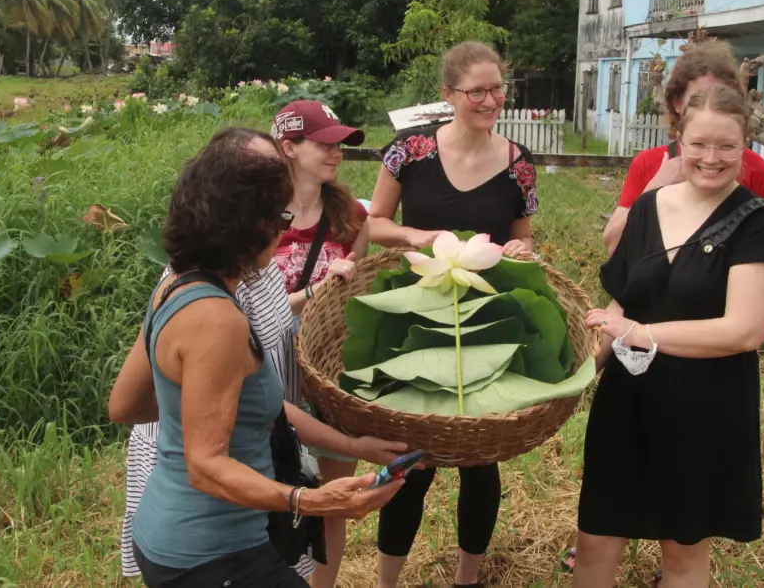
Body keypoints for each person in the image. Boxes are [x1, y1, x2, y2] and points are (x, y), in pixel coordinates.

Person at [109, 127, 408, 587]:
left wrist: (352, 447)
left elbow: (124, 406)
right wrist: (312, 501)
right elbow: (207, 466)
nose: (284, 230)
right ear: (249, 226)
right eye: (281, 219)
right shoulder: (219, 320)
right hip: (213, 553)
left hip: (165, 535)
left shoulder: (175, 285)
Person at [573, 85, 764, 588]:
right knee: (594, 540)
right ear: (677, 139)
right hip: (628, 399)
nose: (711, 158)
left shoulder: (757, 224)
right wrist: (581, 372)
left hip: (705, 408)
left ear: (745, 147)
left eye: (726, 147)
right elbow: (620, 304)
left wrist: (642, 333)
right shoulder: (648, 208)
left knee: (684, 552)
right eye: (698, 144)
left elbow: (743, 331)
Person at [367, 41, 538, 588]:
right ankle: (386, 580)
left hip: (484, 323)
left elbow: (523, 243)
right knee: (412, 462)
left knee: (480, 460)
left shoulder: (518, 164)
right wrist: (417, 235)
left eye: (497, 89)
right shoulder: (410, 151)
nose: (490, 100)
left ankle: (468, 579)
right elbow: (374, 223)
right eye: (477, 91)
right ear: (448, 95)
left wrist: (518, 254)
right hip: (416, 317)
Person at [270, 100, 370, 588]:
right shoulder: (256, 217)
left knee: (336, 496)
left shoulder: (351, 216)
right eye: (324, 144)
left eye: (340, 145)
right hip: (264, 367)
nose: (336, 154)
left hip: (325, 372)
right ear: (289, 146)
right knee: (272, 488)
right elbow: (243, 307)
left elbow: (354, 301)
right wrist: (312, 292)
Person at [601, 40, 764, 257]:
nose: (711, 107)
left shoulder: (755, 168)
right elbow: (613, 246)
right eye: (698, 98)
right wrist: (653, 190)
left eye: (723, 98)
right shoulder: (650, 164)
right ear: (677, 102)